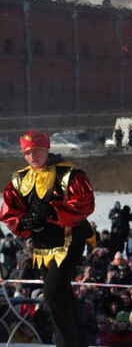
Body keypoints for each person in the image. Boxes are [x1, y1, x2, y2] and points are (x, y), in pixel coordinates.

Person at [0, 130, 95, 347]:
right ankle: (78, 342)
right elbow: (10, 211)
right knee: (62, 293)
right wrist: (26, 221)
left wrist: (53, 211)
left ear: (46, 150)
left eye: (37, 151)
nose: (32, 156)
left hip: (70, 240)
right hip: (43, 247)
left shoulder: (68, 173)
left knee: (52, 292)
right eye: (27, 153)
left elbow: (85, 203)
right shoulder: (20, 178)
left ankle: (65, 343)